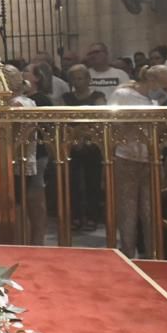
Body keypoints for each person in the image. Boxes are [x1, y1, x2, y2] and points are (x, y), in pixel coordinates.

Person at [108, 65, 167, 258]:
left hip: (152, 159)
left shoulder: (156, 100)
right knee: (128, 209)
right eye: (164, 86)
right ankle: (128, 254)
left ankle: (153, 254)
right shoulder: (124, 95)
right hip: (126, 157)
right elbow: (111, 123)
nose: (165, 91)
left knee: (150, 210)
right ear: (152, 81)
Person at [1, 64, 47, 245]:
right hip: (27, 157)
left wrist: (13, 148)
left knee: (21, 205)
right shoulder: (27, 100)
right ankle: (34, 241)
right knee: (32, 204)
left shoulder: (17, 103)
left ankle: (22, 241)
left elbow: (24, 131)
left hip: (21, 160)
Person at [63, 64, 106, 232]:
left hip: (93, 144)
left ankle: (92, 216)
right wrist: (75, 137)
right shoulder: (66, 97)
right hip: (72, 144)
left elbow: (99, 119)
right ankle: (75, 216)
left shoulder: (98, 96)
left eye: (80, 78)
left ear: (88, 79)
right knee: (72, 182)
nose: (77, 81)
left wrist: (85, 136)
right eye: (74, 78)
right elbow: (64, 119)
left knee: (92, 182)